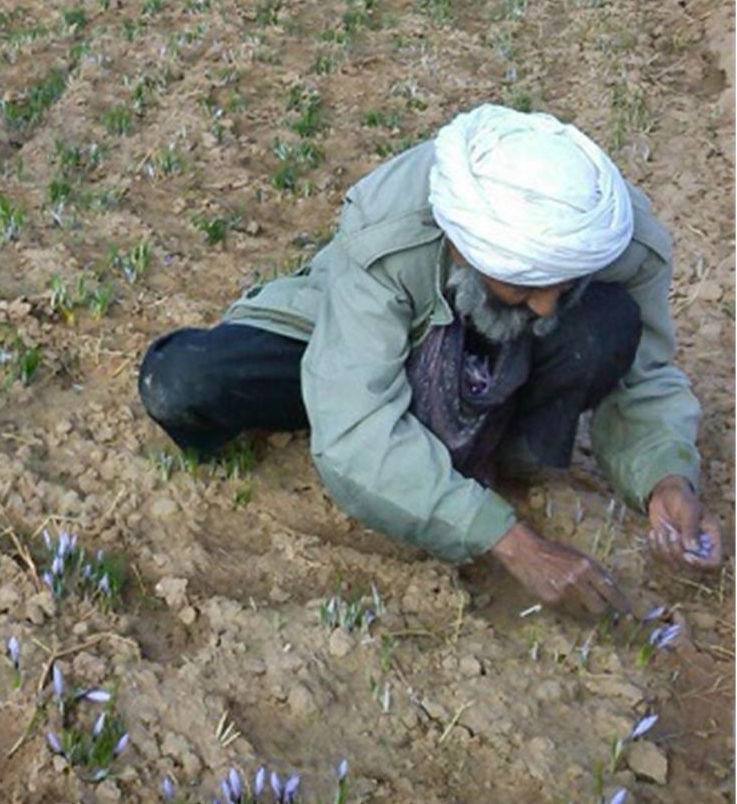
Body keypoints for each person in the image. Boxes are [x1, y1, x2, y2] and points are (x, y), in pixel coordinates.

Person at [138, 105, 722, 615]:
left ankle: (507, 450)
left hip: (496, 351)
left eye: (562, 283)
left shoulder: (613, 235)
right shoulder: (390, 228)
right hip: (371, 330)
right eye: (525, 283)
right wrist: (510, 541)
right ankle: (431, 443)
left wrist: (667, 478)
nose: (547, 306)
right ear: (460, 247)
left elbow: (644, 374)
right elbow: (356, 434)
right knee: (188, 380)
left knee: (607, 322)